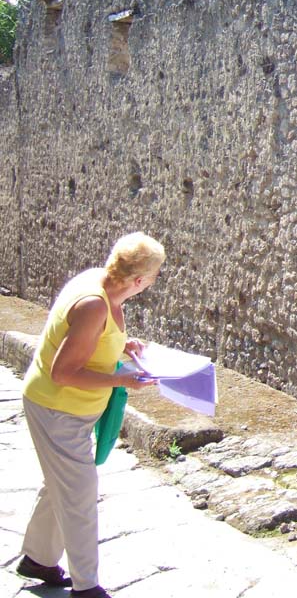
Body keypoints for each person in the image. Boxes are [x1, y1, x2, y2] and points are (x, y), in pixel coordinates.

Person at [15, 232, 164, 598]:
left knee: (63, 483)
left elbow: (92, 336)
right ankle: (87, 587)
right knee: (80, 495)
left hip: (72, 410)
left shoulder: (105, 285)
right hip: (56, 408)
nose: (154, 282)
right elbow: (62, 371)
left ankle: (37, 559)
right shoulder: (94, 304)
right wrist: (122, 379)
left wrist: (121, 344)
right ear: (140, 280)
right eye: (155, 275)